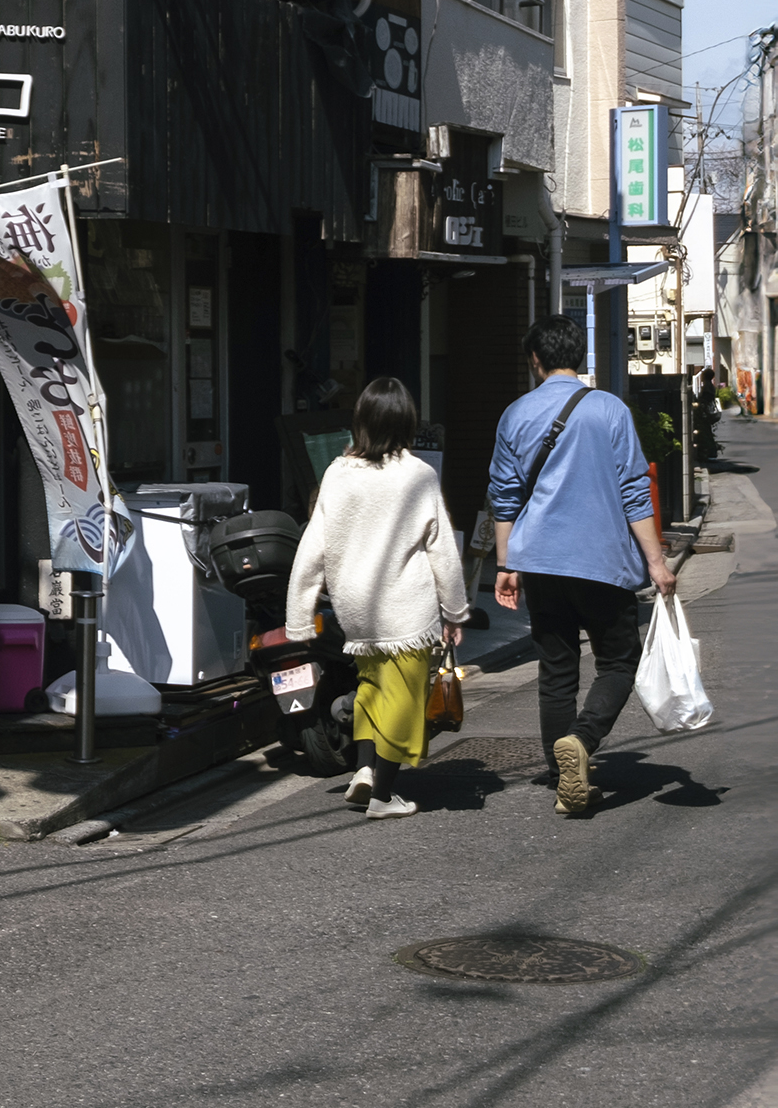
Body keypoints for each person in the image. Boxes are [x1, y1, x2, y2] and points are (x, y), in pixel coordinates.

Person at [490, 312, 677, 819]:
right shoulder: (610, 410)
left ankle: (560, 778)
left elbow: (504, 497)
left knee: (556, 670)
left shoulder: (516, 414)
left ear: (535, 360)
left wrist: (505, 564)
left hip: (540, 561)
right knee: (619, 659)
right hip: (601, 560)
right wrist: (656, 563)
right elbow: (635, 491)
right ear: (581, 357)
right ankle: (582, 739)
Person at [285, 375, 468, 819]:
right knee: (403, 699)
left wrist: (299, 616)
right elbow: (442, 550)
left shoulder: (337, 473)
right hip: (407, 611)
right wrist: (456, 611)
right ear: (407, 422)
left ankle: (365, 771)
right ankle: (384, 796)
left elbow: (313, 546)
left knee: (371, 689)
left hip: (357, 612)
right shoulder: (418, 476)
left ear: (360, 421)